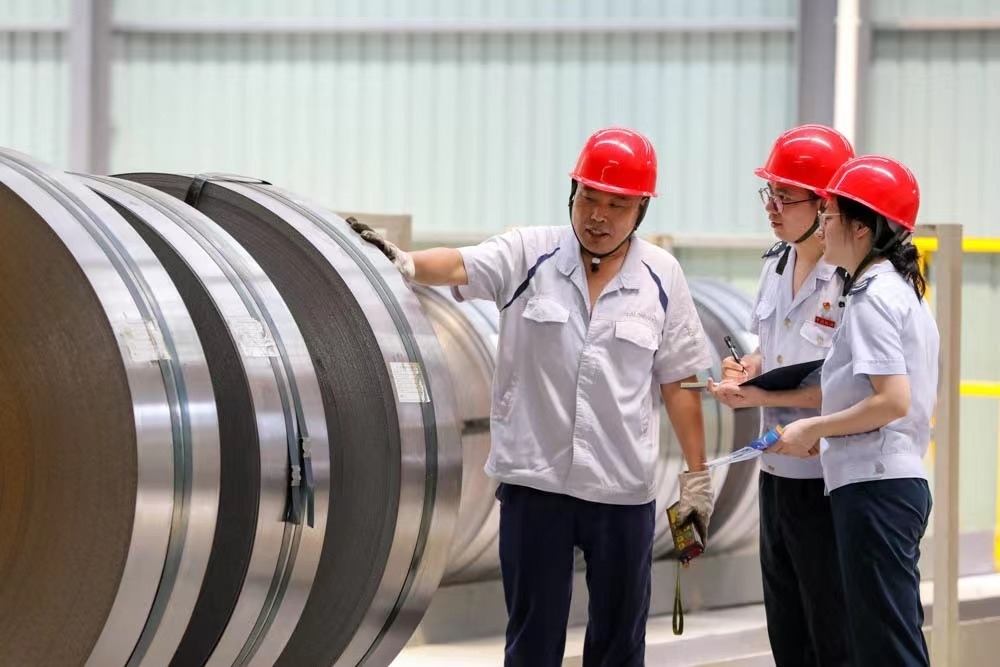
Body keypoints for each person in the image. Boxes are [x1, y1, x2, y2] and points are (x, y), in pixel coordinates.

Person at [347, 127, 715, 666]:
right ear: (572, 193)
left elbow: (678, 382)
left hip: (622, 491)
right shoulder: (529, 253)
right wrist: (406, 262)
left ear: (641, 209)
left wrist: (697, 478)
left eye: (616, 205)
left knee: (619, 644)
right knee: (532, 642)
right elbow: (462, 263)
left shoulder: (662, 276)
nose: (598, 215)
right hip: (536, 486)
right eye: (588, 197)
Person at [771, 155, 937, 667]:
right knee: (885, 640)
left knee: (885, 649)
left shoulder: (871, 297)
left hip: (876, 487)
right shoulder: (894, 289)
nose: (822, 226)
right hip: (883, 481)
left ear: (861, 228)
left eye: (829, 216)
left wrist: (814, 428)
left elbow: (892, 400)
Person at [707, 125, 854, 666]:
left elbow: (855, 387)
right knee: (787, 633)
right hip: (775, 472)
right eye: (769, 194)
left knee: (833, 635)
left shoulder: (851, 278)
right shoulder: (776, 261)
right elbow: (771, 350)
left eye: (785, 197)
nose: (772, 208)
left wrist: (761, 398)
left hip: (828, 479)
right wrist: (745, 369)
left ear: (825, 203)